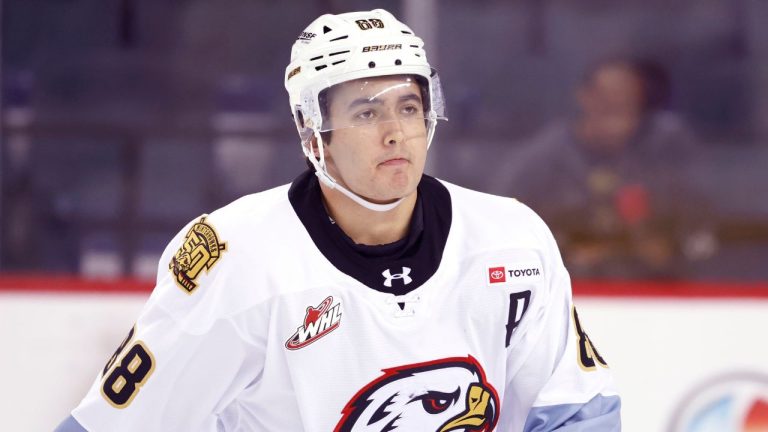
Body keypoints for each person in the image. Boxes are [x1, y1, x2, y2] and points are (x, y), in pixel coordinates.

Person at [56, 9, 620, 431]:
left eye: (408, 106)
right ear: (312, 134)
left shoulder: (511, 242)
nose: (395, 131)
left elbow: (577, 409)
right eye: (366, 112)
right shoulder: (238, 261)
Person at [497, 58, 715, 279]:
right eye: (606, 97)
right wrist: (562, 254)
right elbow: (504, 234)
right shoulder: (540, 164)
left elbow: (702, 238)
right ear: (584, 97)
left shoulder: (664, 161)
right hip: (566, 296)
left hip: (653, 297)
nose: (616, 105)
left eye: (627, 98)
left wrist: (662, 249)